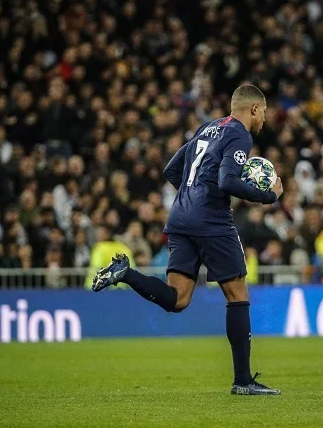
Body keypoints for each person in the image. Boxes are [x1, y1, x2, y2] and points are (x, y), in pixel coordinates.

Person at [91, 84, 283, 395]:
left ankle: (125, 273)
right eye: (264, 112)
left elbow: (171, 169)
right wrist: (268, 196)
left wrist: (193, 194)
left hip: (180, 217)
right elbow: (227, 180)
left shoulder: (208, 128)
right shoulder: (240, 134)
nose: (265, 118)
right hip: (211, 220)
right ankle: (243, 381)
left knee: (178, 299)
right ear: (254, 109)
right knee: (237, 294)